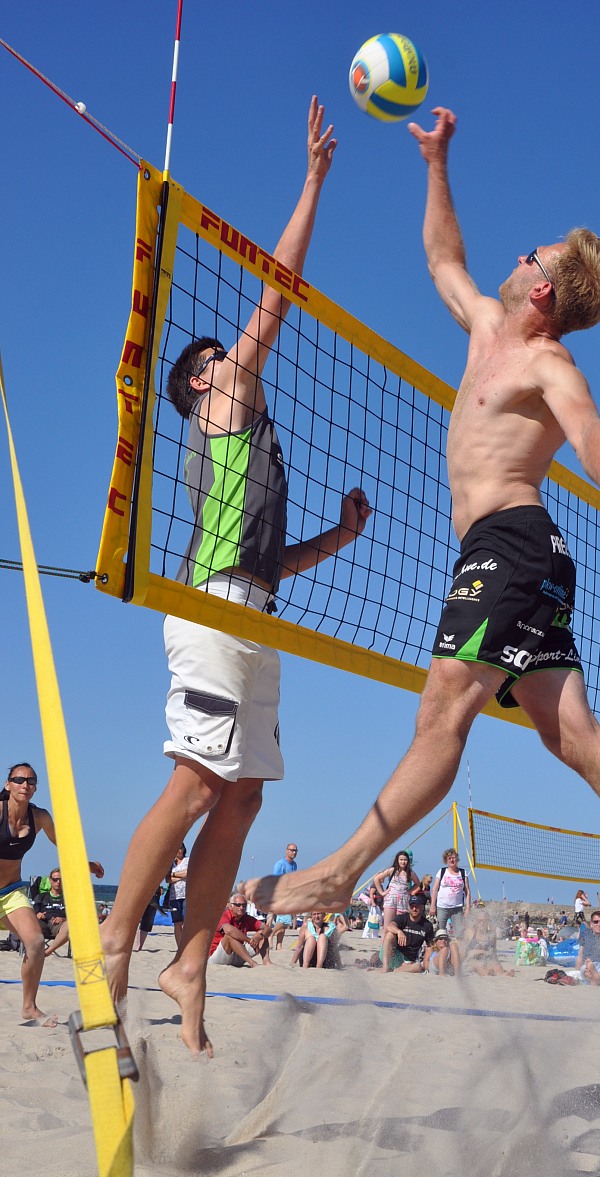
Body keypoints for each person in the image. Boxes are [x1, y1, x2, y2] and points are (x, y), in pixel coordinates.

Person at [244, 105, 600, 982]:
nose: (516, 257)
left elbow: (590, 433)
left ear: (541, 290)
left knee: (443, 711)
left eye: (529, 256)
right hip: (517, 554)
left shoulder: (548, 364)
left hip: (510, 542)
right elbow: (441, 258)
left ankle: (340, 873)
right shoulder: (482, 329)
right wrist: (436, 161)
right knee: (570, 733)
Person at [99, 98, 372, 1056]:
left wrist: (338, 537)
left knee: (245, 794)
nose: (234, 360)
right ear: (199, 385)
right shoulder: (219, 408)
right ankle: (116, 938)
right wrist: (313, 180)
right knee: (195, 782)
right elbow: (277, 292)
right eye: (218, 358)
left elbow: (275, 560)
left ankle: (189, 964)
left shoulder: (247, 438)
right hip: (211, 608)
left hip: (253, 607)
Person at [0, 763, 104, 1022]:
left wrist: (88, 865)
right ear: (8, 784)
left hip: (11, 892)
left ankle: (29, 1007)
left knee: (36, 943)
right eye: (19, 780)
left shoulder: (40, 817)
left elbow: (64, 846)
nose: (25, 785)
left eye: (31, 781)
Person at [208, 893, 270, 968]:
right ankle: (252, 963)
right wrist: (249, 940)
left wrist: (260, 936)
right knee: (229, 936)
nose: (241, 907)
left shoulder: (246, 918)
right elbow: (229, 930)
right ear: (231, 906)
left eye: (244, 905)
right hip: (220, 956)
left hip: (238, 954)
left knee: (263, 933)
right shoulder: (224, 915)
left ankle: (267, 962)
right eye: (238, 905)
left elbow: (268, 929)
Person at [380, 895, 435, 973]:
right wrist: (399, 931)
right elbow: (389, 926)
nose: (414, 909)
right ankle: (385, 967)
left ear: (422, 907)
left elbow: (430, 946)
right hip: (395, 954)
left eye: (417, 906)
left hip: (410, 959)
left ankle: (395, 970)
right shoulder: (402, 918)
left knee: (417, 967)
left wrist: (426, 962)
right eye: (412, 906)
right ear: (409, 907)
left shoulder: (427, 925)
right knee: (390, 934)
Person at [374, 851, 421, 931]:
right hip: (391, 898)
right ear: (397, 860)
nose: (403, 862)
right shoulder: (392, 870)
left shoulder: (410, 872)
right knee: (387, 926)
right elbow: (376, 879)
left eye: (405, 860)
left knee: (400, 925)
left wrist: (409, 891)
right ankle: (385, 939)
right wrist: (382, 892)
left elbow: (417, 883)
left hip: (403, 899)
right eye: (401, 860)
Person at [429, 848, 471, 937]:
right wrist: (432, 906)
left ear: (457, 859)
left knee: (459, 933)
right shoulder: (442, 871)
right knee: (440, 932)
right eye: (449, 858)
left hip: (457, 908)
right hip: (442, 907)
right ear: (446, 860)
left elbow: (467, 891)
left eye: (453, 858)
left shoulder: (463, 873)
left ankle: (456, 946)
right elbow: (435, 889)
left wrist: (468, 908)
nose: (451, 860)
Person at [461, 909, 515, 977]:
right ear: (475, 921)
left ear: (488, 922)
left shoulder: (491, 935)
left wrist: (497, 962)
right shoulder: (470, 933)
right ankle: (487, 974)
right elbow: (463, 951)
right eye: (480, 921)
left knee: (496, 965)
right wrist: (478, 952)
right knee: (479, 965)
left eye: (485, 921)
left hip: (486, 959)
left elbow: (494, 952)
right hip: (472, 959)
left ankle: (502, 974)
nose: (482, 923)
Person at [33, 868, 67, 942]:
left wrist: (64, 919)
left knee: (68, 925)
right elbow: (33, 913)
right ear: (50, 880)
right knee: (31, 923)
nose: (58, 882)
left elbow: (74, 917)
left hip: (60, 926)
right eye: (55, 879)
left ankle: (50, 949)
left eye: (61, 880)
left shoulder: (69, 898)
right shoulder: (41, 897)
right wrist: (37, 915)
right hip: (43, 924)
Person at [167, 843, 189, 946]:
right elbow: (167, 879)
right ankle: (179, 946)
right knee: (177, 922)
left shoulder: (187, 860)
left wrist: (174, 874)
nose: (179, 851)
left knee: (186, 922)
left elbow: (188, 873)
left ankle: (185, 944)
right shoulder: (171, 863)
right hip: (174, 896)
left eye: (180, 848)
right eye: (177, 849)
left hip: (186, 895)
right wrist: (181, 877)